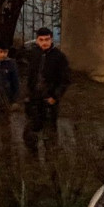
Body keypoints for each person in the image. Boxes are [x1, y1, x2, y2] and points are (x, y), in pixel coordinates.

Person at [22, 27, 72, 156]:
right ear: (37, 40)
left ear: (51, 39)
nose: (44, 42)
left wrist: (55, 97)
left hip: (49, 101)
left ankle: (52, 162)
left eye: (47, 39)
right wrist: (27, 95)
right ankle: (33, 160)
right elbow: (29, 76)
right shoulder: (34, 54)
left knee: (49, 135)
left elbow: (65, 80)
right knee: (30, 133)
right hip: (34, 100)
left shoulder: (59, 57)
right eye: (41, 40)